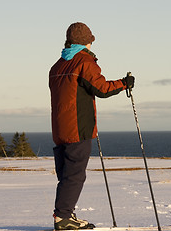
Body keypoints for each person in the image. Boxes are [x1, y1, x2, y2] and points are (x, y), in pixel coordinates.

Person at [49, 22, 134, 230]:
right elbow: (102, 88)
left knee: (66, 175)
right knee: (75, 174)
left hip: (59, 129)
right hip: (78, 127)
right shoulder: (84, 62)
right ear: (87, 41)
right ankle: (63, 218)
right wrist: (124, 83)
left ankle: (66, 214)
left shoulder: (57, 66)